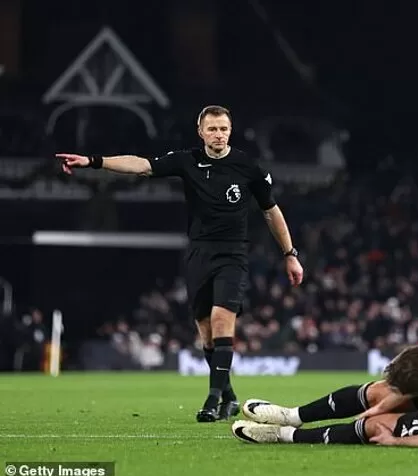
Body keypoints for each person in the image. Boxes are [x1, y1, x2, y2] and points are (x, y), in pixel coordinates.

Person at [57, 105, 304, 422]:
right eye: (212, 129)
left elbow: (271, 211)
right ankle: (229, 396)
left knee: (221, 319)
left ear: (231, 131)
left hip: (233, 253)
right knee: (206, 334)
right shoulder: (187, 160)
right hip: (199, 254)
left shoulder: (247, 167)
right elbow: (141, 165)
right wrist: (93, 161)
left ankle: (213, 399)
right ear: (201, 132)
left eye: (224, 129)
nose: (218, 134)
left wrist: (290, 254)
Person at [231, 331, 418, 447]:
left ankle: (285, 435)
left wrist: (395, 441)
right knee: (377, 393)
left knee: (375, 426)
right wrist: (382, 402)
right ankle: (291, 415)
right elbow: (407, 374)